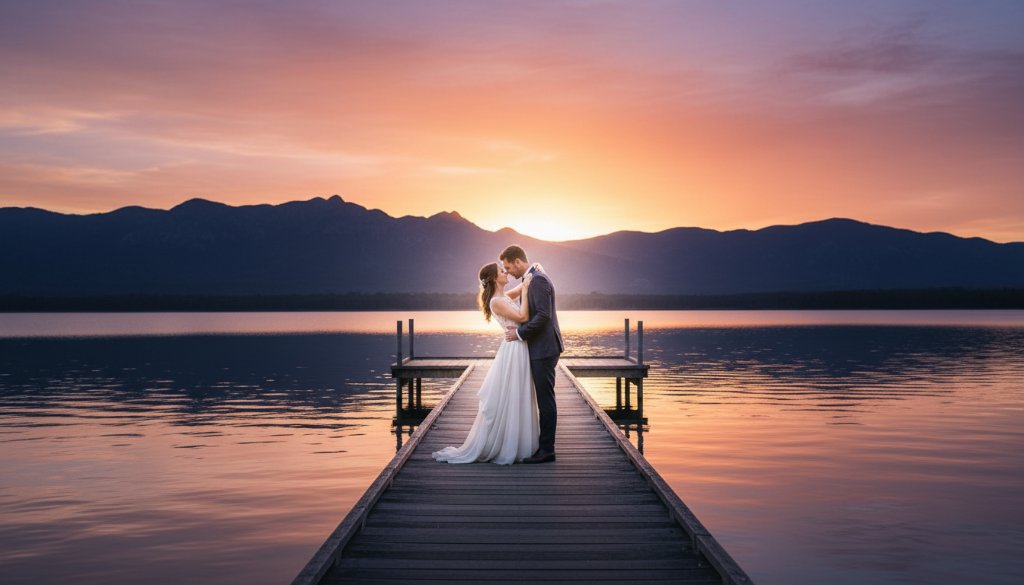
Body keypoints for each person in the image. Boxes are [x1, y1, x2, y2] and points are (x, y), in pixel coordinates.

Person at [431, 261, 540, 465]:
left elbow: (518, 288)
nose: (506, 272)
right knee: (512, 392)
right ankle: (507, 446)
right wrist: (526, 288)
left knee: (518, 393)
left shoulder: (504, 297)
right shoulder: (496, 302)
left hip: (519, 347)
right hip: (514, 350)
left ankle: (519, 442)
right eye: (502, 271)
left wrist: (531, 272)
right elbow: (523, 316)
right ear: (493, 278)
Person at [501, 245, 563, 464]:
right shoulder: (533, 278)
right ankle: (544, 446)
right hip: (540, 347)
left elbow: (543, 317)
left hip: (544, 348)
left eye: (508, 267)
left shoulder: (538, 280)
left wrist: (519, 333)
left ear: (518, 261)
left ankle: (547, 449)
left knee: (545, 399)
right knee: (543, 398)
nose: (508, 273)